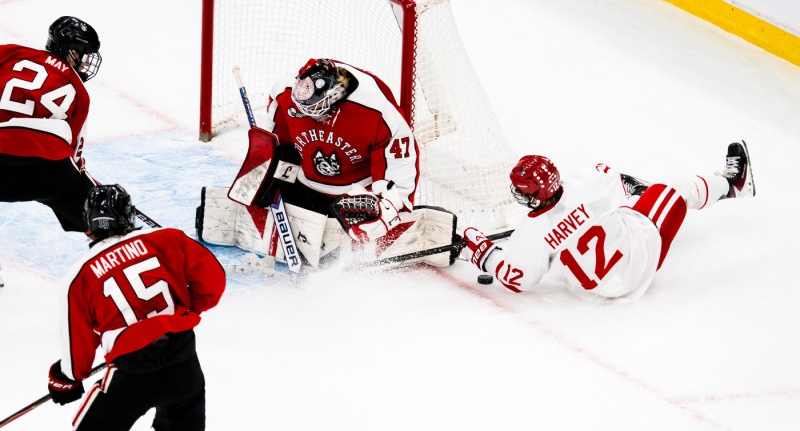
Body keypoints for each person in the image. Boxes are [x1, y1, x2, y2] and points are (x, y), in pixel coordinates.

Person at [198, 57, 447, 271]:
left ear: (335, 96)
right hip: (306, 184)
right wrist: (268, 177)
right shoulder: (285, 94)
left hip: (354, 195)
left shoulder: (377, 111)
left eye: (313, 109)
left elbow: (400, 172)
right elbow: (277, 146)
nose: (305, 115)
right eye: (301, 109)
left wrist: (388, 208)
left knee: (366, 224)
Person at [459, 140, 755, 303]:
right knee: (674, 187)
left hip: (600, 290)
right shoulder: (586, 181)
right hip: (641, 253)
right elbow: (623, 181)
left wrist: (482, 251)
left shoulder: (529, 236)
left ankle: (727, 186)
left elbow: (516, 280)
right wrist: (647, 192)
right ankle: (733, 184)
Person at [47, 184, 226, 430]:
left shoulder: (79, 276)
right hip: (184, 362)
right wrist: (185, 312)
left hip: (131, 376)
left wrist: (67, 378)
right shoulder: (168, 238)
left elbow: (77, 340)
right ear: (129, 216)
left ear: (87, 226)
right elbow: (213, 280)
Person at [0, 16, 102, 233]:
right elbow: (75, 156)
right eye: (84, 56)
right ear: (71, 51)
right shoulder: (79, 91)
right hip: (40, 169)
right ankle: (113, 239)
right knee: (90, 207)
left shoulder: (12, 52)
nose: (85, 64)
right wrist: (88, 188)